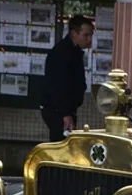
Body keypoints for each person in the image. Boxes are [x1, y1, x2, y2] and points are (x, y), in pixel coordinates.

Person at [40, 14, 93, 142]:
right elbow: (58, 85)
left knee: (64, 143)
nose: (89, 39)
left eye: (90, 35)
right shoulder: (62, 53)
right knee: (61, 145)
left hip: (65, 109)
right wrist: (65, 113)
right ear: (74, 33)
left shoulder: (73, 52)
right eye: (86, 35)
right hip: (58, 110)